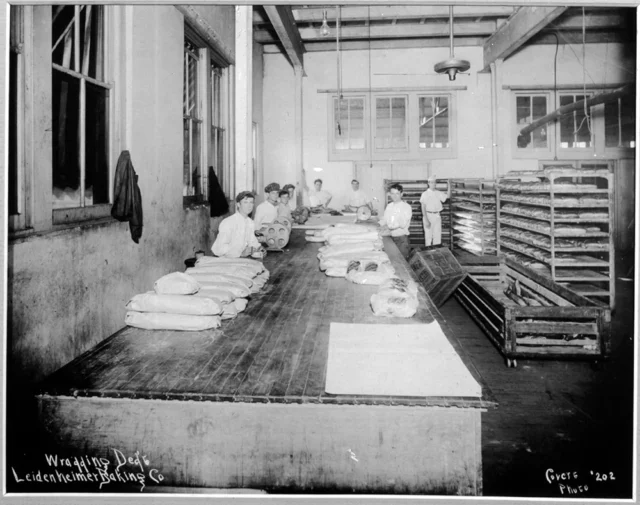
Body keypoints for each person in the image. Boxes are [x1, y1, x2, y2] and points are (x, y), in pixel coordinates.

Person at [211, 191, 265, 258]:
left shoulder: (250, 222)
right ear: (238, 204)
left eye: (251, 202)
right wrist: (240, 253)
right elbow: (219, 248)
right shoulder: (228, 222)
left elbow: (252, 241)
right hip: (226, 261)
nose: (249, 205)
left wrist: (259, 248)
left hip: (241, 260)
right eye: (245, 202)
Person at [379, 183, 412, 259]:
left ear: (401, 194)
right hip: (390, 238)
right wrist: (378, 225)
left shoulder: (406, 207)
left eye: (397, 193)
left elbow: (402, 224)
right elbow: (385, 219)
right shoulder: (389, 206)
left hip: (402, 240)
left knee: (402, 263)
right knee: (392, 261)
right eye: (392, 193)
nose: (394, 196)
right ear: (390, 194)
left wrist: (387, 227)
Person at [420, 175, 448, 246]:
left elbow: (447, 196)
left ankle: (436, 255)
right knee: (428, 237)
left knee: (437, 237)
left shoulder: (438, 193)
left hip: (437, 216)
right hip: (428, 215)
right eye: (431, 182)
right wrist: (426, 219)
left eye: (434, 182)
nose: (433, 184)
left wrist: (449, 184)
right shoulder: (425, 194)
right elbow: (423, 207)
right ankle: (428, 255)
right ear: (428, 183)